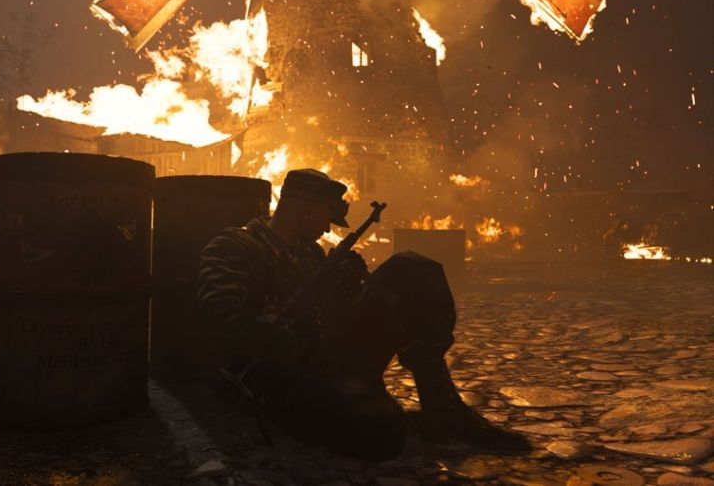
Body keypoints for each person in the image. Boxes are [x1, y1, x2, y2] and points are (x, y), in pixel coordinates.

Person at [197, 168, 529, 459]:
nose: (328, 229)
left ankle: (442, 407)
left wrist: (349, 288)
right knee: (382, 433)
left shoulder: (311, 254)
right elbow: (219, 321)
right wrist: (292, 341)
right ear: (306, 210)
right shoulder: (237, 247)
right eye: (327, 218)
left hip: (327, 358)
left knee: (411, 269)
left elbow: (334, 318)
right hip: (283, 377)